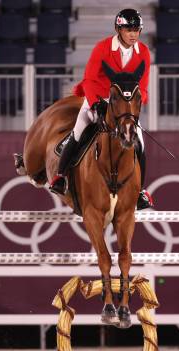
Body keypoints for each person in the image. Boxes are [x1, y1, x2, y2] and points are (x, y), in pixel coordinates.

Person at [49, 8, 154, 210]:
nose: (133, 34)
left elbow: (143, 86)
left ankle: (140, 191)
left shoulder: (144, 53)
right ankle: (60, 177)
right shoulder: (103, 48)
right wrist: (96, 102)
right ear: (118, 29)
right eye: (128, 29)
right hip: (98, 96)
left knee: (139, 141)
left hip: (124, 106)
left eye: (136, 30)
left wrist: (135, 104)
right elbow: (89, 79)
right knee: (78, 131)